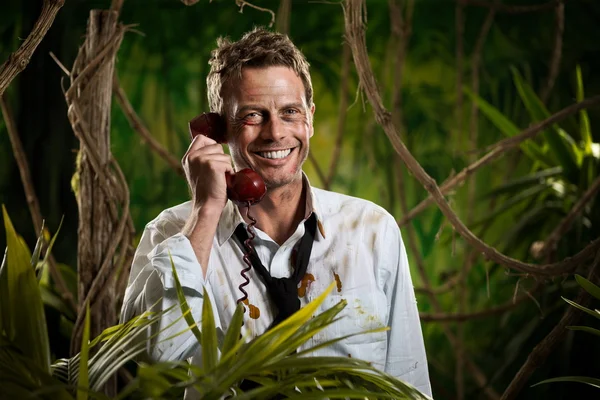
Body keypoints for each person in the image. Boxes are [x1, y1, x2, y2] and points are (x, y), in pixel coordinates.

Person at [120, 27, 432, 398]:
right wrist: (206, 213)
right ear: (216, 129)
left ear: (310, 119)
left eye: (290, 112)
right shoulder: (172, 233)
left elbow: (407, 382)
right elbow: (155, 355)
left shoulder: (372, 230)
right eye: (253, 115)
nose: (275, 133)